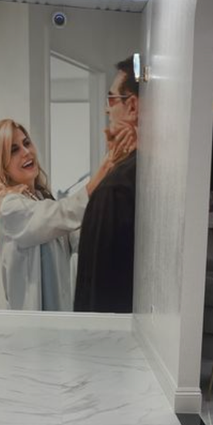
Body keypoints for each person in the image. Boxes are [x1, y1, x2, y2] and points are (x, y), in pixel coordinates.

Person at [0, 119, 130, 311]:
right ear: (0, 165)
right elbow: (64, 213)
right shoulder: (10, 208)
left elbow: (76, 236)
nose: (26, 152)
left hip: (57, 321)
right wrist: (105, 167)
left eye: (26, 143)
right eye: (13, 150)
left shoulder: (41, 199)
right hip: (32, 330)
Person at [74, 56, 139, 313]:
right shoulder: (138, 176)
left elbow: (99, 292)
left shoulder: (115, 191)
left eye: (111, 99)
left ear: (132, 106)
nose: (107, 109)